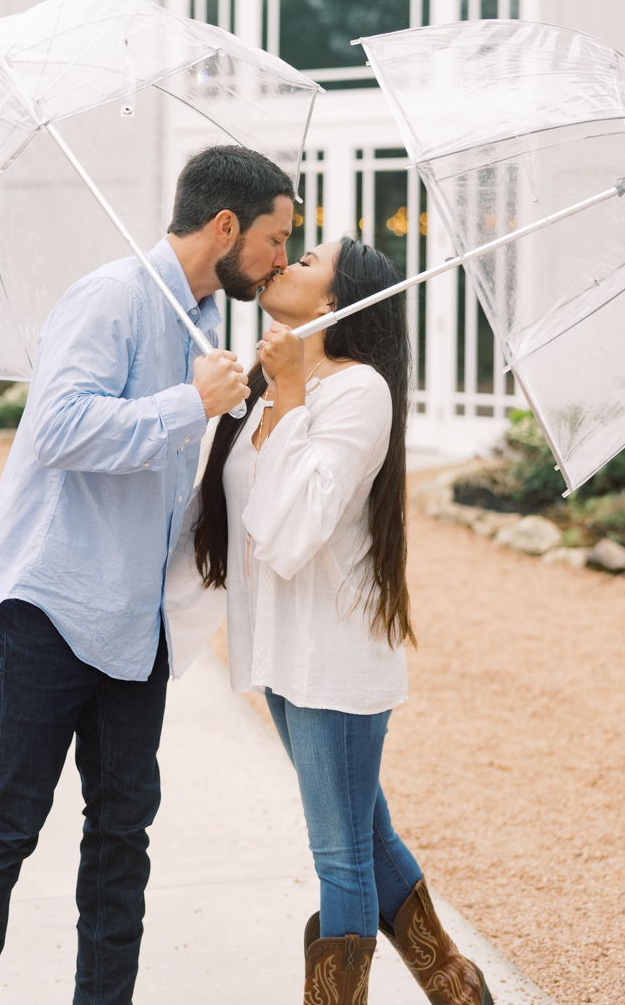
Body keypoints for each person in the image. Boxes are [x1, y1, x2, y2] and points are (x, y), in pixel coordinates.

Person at [0, 145, 294, 1005]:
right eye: (276, 240)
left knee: (123, 835)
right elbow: (57, 429)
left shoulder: (202, 323)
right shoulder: (112, 298)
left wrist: (241, 397)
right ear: (226, 225)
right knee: (5, 826)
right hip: (49, 609)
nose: (280, 261)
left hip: (136, 626)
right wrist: (186, 404)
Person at [190, 237, 494, 1005]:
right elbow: (238, 508)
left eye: (307, 260)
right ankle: (457, 988)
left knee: (340, 858)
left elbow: (295, 531)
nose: (284, 264)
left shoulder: (356, 391)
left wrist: (288, 396)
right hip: (284, 650)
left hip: (332, 654)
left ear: (333, 303)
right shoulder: (275, 381)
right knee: (363, 833)